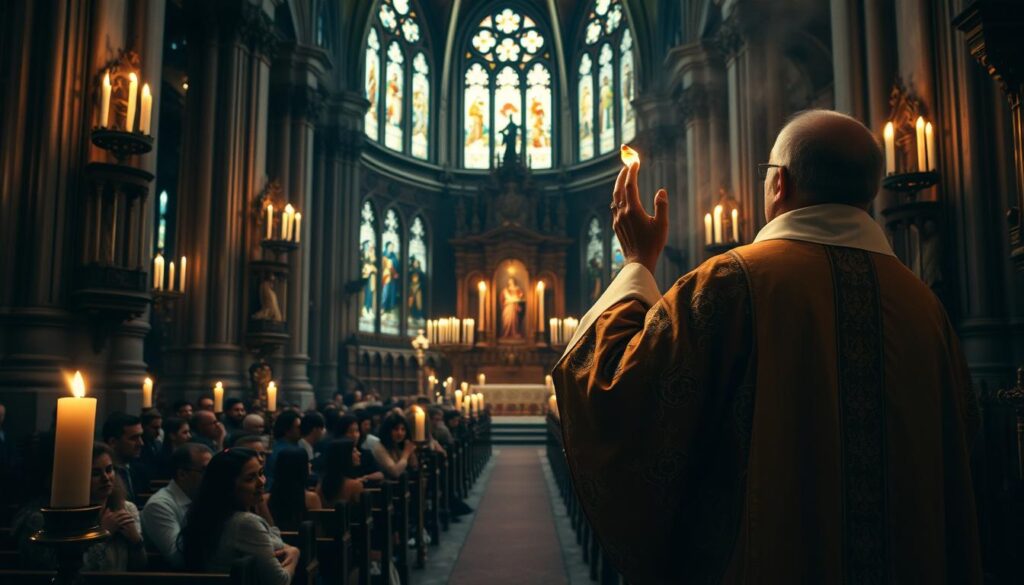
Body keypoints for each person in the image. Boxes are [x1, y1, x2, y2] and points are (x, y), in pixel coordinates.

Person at [552, 109, 982, 583]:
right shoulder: (923, 305)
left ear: (779, 183)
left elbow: (612, 388)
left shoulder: (731, 282)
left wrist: (637, 262)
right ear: (870, 189)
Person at [16, 444, 146, 571]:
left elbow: (140, 568)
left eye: (109, 469)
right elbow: (74, 570)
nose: (106, 478)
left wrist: (136, 542)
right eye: (95, 473)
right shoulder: (64, 516)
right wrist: (104, 534)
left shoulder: (127, 509)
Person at [181, 448, 299, 585]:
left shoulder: (213, 516)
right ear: (227, 486)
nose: (262, 482)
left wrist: (259, 502)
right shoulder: (245, 523)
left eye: (261, 473)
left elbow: (274, 539)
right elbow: (280, 581)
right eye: (250, 478)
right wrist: (295, 553)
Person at [141, 443, 212, 568]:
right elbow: (178, 558)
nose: (212, 477)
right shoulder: (158, 505)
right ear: (182, 474)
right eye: (206, 470)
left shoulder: (202, 496)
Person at [268, 448, 321, 532]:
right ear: (301, 467)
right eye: (307, 462)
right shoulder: (311, 498)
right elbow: (317, 531)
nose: (310, 465)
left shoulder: (265, 499)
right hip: (304, 543)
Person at [102, 412, 150, 503]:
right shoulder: (103, 476)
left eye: (140, 437)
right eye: (133, 438)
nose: (141, 443)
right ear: (113, 442)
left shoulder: (141, 471)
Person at [317, 439, 364, 507]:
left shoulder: (320, 486)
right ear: (344, 456)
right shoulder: (356, 485)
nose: (359, 453)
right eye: (354, 451)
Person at [372, 413, 416, 479]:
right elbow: (395, 472)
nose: (400, 433)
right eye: (396, 429)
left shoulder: (400, 444)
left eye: (403, 429)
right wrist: (406, 454)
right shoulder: (379, 447)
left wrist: (411, 452)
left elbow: (414, 466)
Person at [265, 410, 302, 490]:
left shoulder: (295, 446)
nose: (301, 430)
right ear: (287, 430)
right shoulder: (282, 451)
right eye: (298, 427)